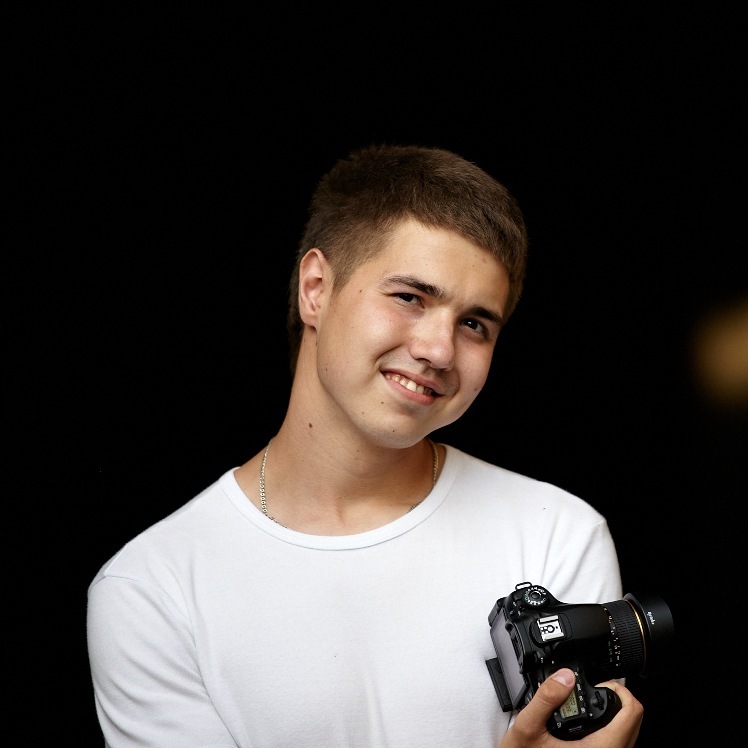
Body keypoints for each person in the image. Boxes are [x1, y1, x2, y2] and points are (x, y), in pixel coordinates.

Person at [87, 143, 645, 747]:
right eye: (410, 297)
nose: (438, 350)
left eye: (474, 324)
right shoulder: (153, 591)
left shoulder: (554, 535)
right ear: (316, 289)